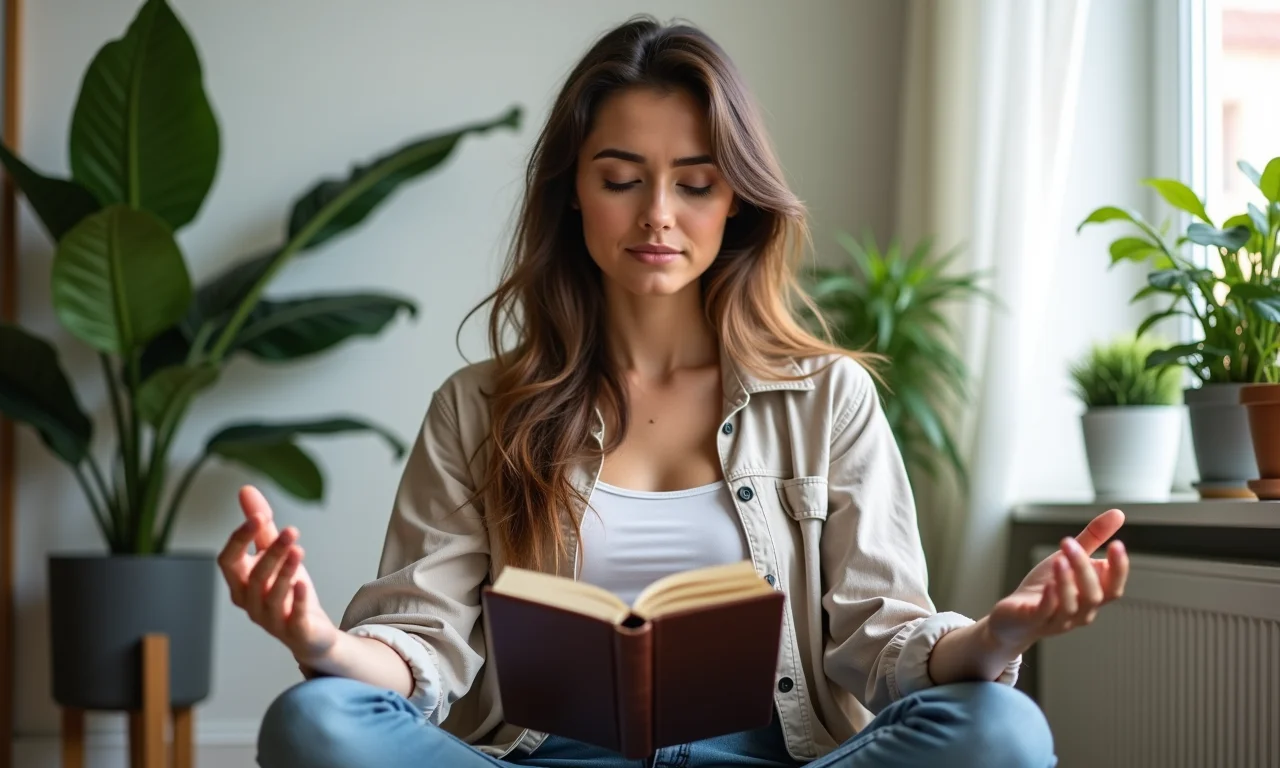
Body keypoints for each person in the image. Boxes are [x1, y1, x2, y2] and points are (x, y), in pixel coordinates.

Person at [223, 15, 1129, 768]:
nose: (658, 212)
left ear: (737, 201)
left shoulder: (829, 400)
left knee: (1002, 730)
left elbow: (884, 638)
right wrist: (317, 640)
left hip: (769, 758)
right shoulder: (477, 407)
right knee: (313, 724)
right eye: (621, 179)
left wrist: (999, 637)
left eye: (695, 183)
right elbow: (422, 643)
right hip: (548, 758)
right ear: (573, 192)